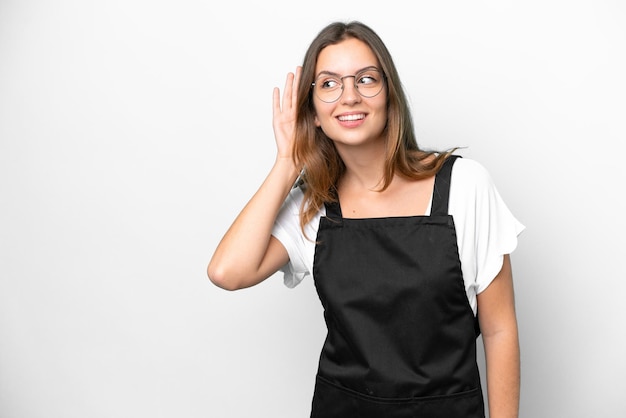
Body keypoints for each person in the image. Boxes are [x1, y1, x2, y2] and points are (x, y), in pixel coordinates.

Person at [208, 20, 524, 418]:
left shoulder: (464, 185)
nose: (349, 96)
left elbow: (499, 331)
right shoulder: (314, 204)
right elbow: (226, 272)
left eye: (366, 79)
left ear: (389, 96)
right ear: (314, 114)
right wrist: (288, 161)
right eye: (328, 84)